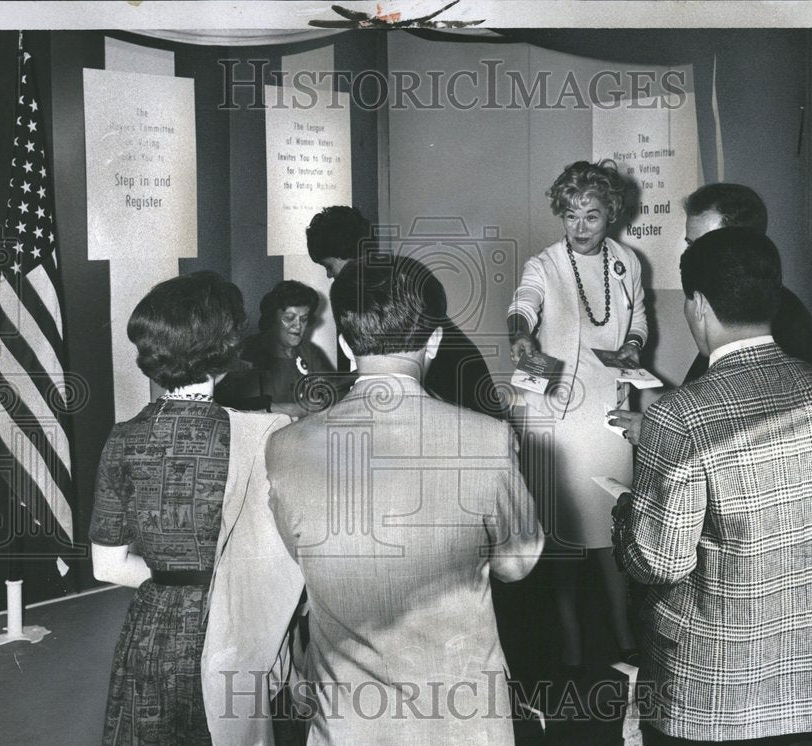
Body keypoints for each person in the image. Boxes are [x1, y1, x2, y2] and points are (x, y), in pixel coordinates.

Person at [264, 256, 545, 746]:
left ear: (346, 346)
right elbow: (518, 563)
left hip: (347, 737)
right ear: (434, 341)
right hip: (465, 736)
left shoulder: (282, 448)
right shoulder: (485, 440)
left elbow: (300, 556)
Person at [616, 227, 812, 746]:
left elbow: (658, 561)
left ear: (700, 305)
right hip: (808, 673)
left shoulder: (679, 415)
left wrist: (624, 517)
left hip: (703, 684)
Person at [90, 271, 298, 746]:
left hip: (153, 634)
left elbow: (106, 567)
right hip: (239, 627)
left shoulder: (123, 438)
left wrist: (173, 581)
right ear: (227, 350)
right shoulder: (270, 434)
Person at [506, 159, 645, 673]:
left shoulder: (627, 262)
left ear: (611, 213)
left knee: (612, 533)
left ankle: (624, 634)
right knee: (563, 537)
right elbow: (525, 303)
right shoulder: (544, 263)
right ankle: (568, 644)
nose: (580, 227)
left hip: (608, 415)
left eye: (591, 215)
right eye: (570, 216)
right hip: (557, 418)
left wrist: (632, 344)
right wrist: (521, 331)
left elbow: (640, 318)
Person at [609, 182, 812, 444]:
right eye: (690, 245)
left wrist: (663, 434)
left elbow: (759, 432)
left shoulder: (787, 320)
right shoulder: (729, 304)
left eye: (705, 245)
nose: (692, 257)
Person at [306, 205, 502, 417]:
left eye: (328, 266)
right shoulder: (389, 290)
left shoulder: (366, 302)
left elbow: (394, 371)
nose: (328, 276)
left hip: (462, 408)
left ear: (346, 257)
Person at [215, 279, 336, 416]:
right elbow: (232, 404)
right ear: (272, 317)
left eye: (303, 319)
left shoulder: (310, 352)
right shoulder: (248, 351)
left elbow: (331, 393)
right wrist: (291, 409)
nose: (298, 326)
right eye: (289, 318)